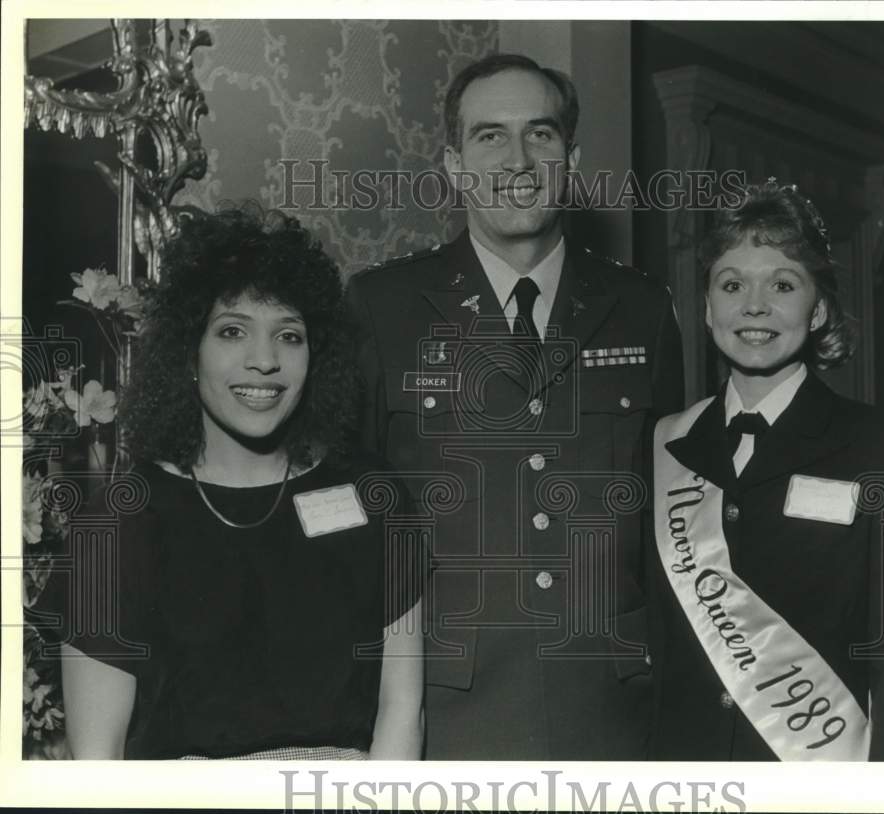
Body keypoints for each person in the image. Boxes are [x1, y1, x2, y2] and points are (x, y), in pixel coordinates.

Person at [346, 54, 685, 760]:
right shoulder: (383, 309)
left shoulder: (642, 311)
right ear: (454, 164)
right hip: (442, 712)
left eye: (541, 134)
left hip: (613, 709)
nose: (519, 158)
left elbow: (675, 516)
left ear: (572, 157)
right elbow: (350, 519)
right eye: (490, 136)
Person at [47, 204, 423, 759]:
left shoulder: (374, 496)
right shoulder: (119, 523)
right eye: (232, 331)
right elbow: (95, 769)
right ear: (189, 352)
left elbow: (402, 715)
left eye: (289, 336)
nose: (265, 361)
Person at [646, 179, 884, 760]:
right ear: (707, 308)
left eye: (783, 284)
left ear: (820, 306)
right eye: (732, 285)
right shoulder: (666, 444)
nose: (754, 305)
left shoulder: (881, 449)